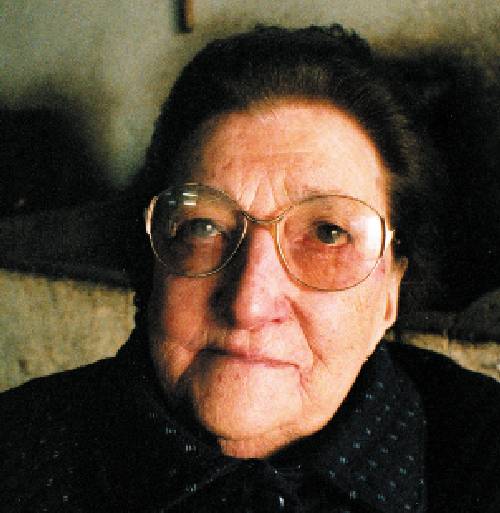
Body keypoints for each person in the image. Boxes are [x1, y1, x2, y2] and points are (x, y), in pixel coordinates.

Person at [1, 24, 499, 513]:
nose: (248, 304)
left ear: (390, 290)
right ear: (151, 263)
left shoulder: (482, 457)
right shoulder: (20, 455)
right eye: (202, 227)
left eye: (327, 233)